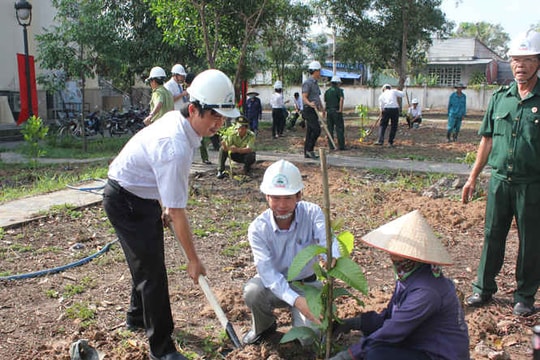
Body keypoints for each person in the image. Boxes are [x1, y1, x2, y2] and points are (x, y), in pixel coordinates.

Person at [102, 69, 240, 360]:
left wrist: (164, 204)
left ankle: (137, 317)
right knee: (152, 273)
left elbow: (163, 184)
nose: (219, 123)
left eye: (222, 117)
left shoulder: (183, 125)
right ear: (193, 109)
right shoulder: (174, 146)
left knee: (146, 262)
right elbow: (178, 212)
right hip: (125, 200)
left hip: (142, 195)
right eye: (214, 115)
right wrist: (193, 259)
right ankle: (162, 350)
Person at [462, 30, 540, 317]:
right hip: (499, 182)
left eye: (528, 60)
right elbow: (487, 140)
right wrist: (472, 178)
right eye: (516, 60)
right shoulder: (500, 98)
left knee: (531, 241)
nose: (521, 65)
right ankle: (483, 288)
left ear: (538, 63)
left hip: (532, 185)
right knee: (492, 234)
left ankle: (524, 295)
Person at [330, 210, 470, 360]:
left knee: (375, 355)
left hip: (439, 355)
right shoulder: (410, 277)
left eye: (399, 254)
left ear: (416, 257)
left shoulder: (426, 291)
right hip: (419, 346)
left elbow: (393, 330)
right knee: (372, 345)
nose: (393, 258)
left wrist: (350, 355)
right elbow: (389, 317)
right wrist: (356, 323)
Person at [242, 159, 341, 345]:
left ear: (299, 196)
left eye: (288, 198)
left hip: (307, 286)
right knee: (253, 292)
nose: (282, 204)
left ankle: (305, 328)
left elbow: (327, 239)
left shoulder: (312, 213)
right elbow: (268, 274)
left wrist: (330, 256)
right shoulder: (258, 228)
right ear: (266, 197)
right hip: (274, 287)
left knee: (308, 340)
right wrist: (296, 301)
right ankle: (264, 327)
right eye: (276, 198)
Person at [302, 61, 324, 159]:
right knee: (316, 130)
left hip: (314, 110)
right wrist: (309, 103)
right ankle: (309, 150)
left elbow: (317, 98)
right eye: (319, 71)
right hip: (308, 110)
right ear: (315, 71)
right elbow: (304, 97)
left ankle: (307, 152)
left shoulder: (316, 84)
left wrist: (322, 108)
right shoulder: (307, 83)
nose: (320, 73)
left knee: (310, 132)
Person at [324, 76, 346, 150]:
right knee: (339, 128)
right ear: (337, 83)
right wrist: (340, 109)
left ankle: (331, 146)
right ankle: (341, 146)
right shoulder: (339, 91)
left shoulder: (327, 92)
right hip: (336, 111)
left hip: (329, 112)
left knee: (330, 129)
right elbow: (341, 99)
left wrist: (324, 111)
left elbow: (326, 102)